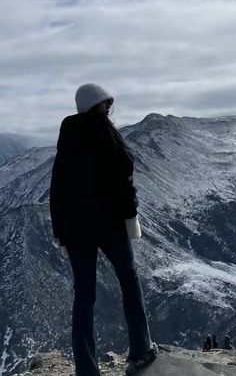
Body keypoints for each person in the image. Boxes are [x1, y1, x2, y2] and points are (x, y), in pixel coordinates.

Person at [50, 83, 158, 376]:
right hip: (109, 224)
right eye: (105, 103)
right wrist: (129, 216)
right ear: (96, 106)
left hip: (75, 230)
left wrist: (60, 232)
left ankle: (86, 370)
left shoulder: (67, 138)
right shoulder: (106, 133)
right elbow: (123, 178)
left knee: (84, 296)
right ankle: (140, 349)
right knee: (129, 280)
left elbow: (57, 189)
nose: (109, 108)